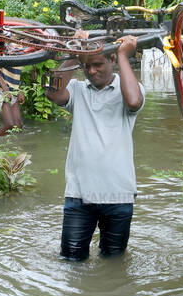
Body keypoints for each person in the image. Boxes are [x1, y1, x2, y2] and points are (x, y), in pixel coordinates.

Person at [46, 35, 144, 260]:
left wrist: (123, 54)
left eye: (97, 64)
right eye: (86, 66)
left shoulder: (130, 89)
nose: (91, 71)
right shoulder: (78, 90)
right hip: (79, 194)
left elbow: (133, 102)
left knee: (114, 260)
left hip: (119, 194)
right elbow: (53, 93)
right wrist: (73, 53)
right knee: (70, 260)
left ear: (111, 60)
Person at [0, 66, 25, 137]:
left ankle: (12, 146)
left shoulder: (22, 55)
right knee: (9, 125)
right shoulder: (2, 54)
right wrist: (5, 88)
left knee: (18, 127)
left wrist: (20, 90)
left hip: (13, 92)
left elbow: (16, 75)